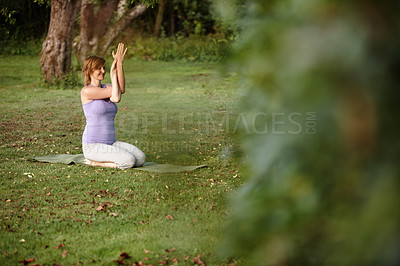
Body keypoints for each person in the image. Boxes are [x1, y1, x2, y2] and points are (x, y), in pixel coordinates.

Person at [81, 43, 145, 169]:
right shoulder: (87, 91)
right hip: (93, 145)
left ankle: (103, 159)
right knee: (129, 161)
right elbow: (116, 97)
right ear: (90, 70)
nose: (103, 71)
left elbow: (121, 89)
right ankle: (95, 162)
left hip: (111, 142)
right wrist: (112, 72)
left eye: (104, 68)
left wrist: (119, 64)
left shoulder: (108, 87)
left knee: (141, 158)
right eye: (99, 68)